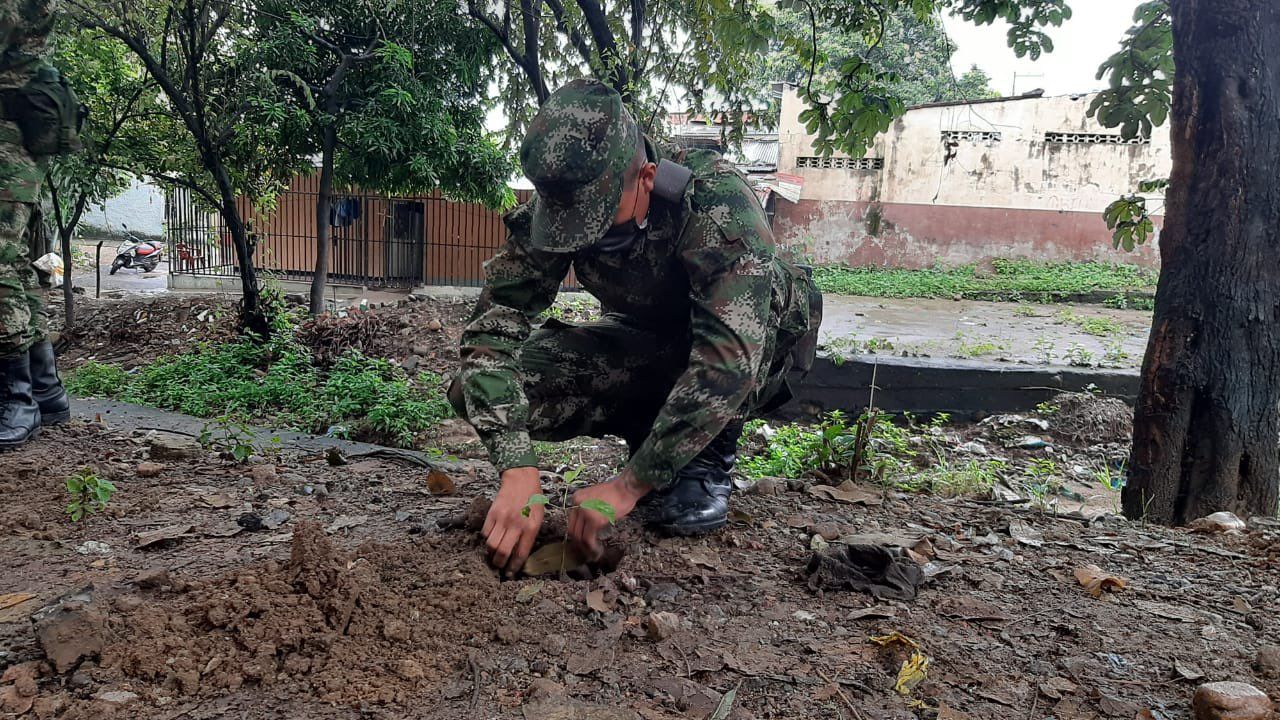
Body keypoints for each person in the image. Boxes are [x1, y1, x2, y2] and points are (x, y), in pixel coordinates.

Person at [449, 79, 821, 572]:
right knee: (475, 390)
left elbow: (728, 359)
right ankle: (649, 431)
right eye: (569, 222)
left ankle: (705, 460)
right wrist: (517, 466)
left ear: (646, 177)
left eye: (600, 218)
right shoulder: (559, 210)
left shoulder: (715, 204)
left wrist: (627, 487)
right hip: (646, 339)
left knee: (748, 322)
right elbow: (489, 341)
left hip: (744, 348)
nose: (585, 234)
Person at [0, 0, 73, 450]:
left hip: (11, 125)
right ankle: (42, 393)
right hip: (19, 121)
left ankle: (16, 397)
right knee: (16, 262)